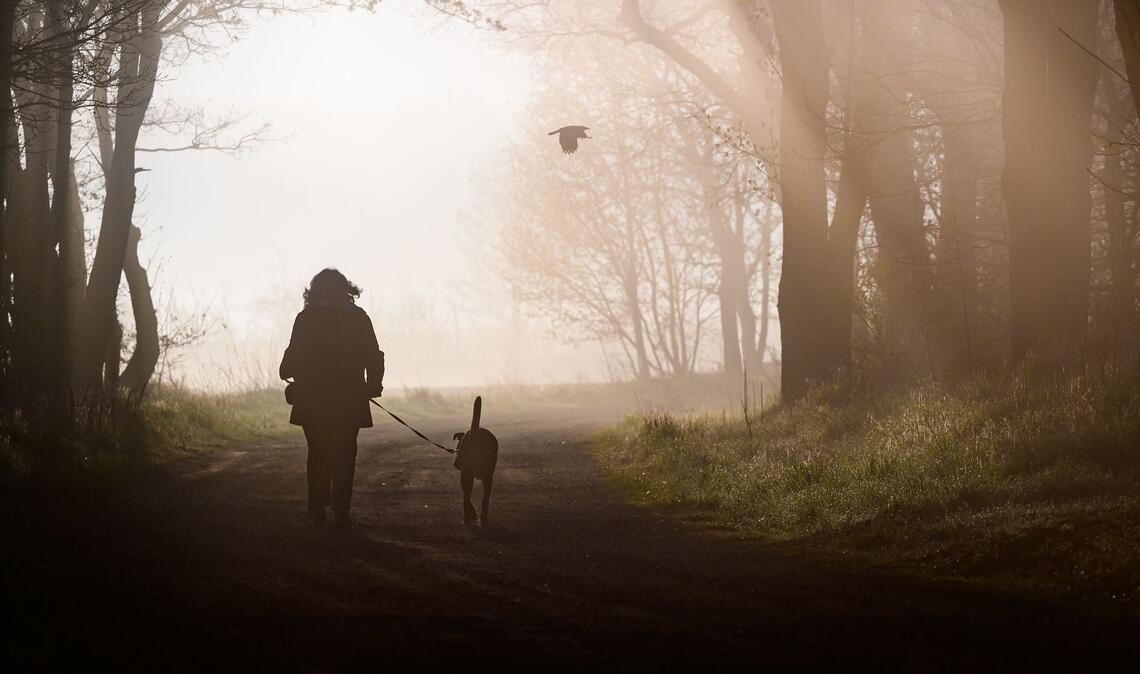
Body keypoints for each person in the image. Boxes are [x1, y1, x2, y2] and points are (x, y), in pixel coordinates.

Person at [280, 268, 384, 529]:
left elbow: (289, 364)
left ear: (313, 291)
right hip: (350, 399)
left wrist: (288, 370)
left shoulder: (305, 318)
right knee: (346, 452)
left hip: (312, 400)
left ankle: (317, 507)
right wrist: (373, 385)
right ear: (346, 289)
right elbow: (374, 355)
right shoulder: (359, 318)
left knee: (317, 452)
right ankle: (341, 510)